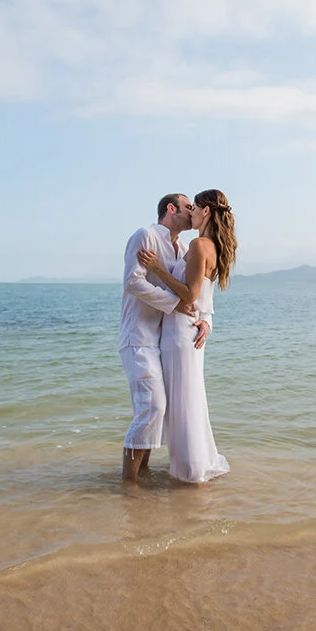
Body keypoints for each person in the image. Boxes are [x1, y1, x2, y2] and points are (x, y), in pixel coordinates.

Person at [137, 188, 235, 484]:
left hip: (179, 334)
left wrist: (157, 269)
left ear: (205, 211)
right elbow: (203, 298)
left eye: (194, 207)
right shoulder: (211, 246)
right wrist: (206, 320)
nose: (190, 211)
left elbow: (191, 294)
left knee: (183, 402)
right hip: (185, 331)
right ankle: (191, 465)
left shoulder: (199, 244)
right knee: (188, 398)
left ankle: (189, 471)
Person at [119, 194, 211, 495]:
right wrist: (174, 304)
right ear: (171, 209)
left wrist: (206, 320)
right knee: (152, 406)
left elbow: (198, 289)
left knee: (162, 409)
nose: (191, 212)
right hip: (138, 337)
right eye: (187, 207)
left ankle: (143, 473)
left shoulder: (183, 248)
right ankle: (128, 484)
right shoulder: (144, 235)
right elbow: (133, 282)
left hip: (167, 341)